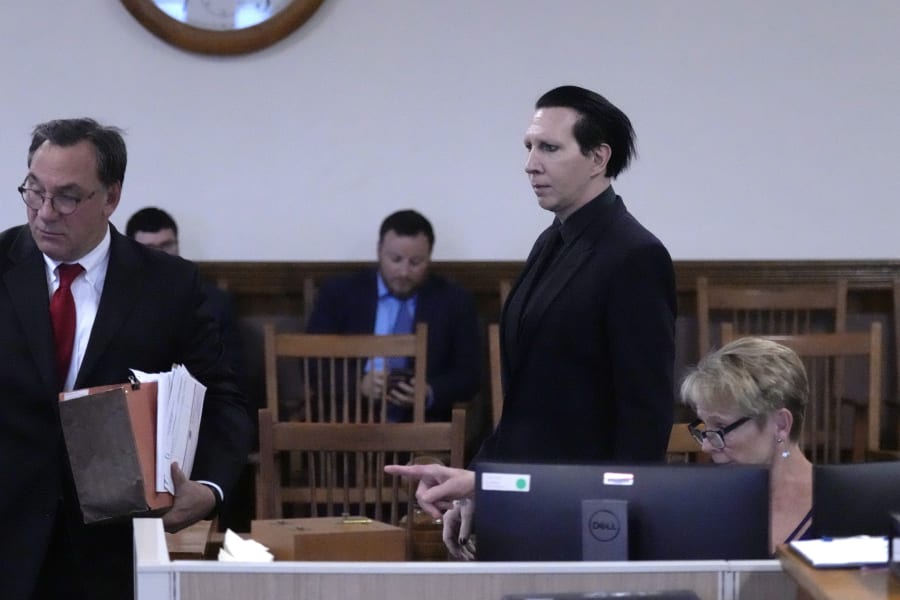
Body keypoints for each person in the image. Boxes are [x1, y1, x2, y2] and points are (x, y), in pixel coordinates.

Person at [0, 118, 253, 599]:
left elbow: (223, 399)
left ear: (112, 197)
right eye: (34, 191)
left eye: (68, 197)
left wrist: (210, 489)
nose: (45, 213)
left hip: (115, 549)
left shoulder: (169, 287)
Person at [479, 84, 676, 462]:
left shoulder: (636, 255)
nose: (531, 164)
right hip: (530, 484)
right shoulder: (550, 240)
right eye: (529, 147)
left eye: (549, 148)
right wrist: (479, 481)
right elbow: (525, 400)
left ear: (598, 158)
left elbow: (645, 413)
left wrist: (615, 511)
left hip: (584, 498)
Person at [306, 209, 480, 422]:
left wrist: (429, 391)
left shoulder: (454, 301)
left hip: (421, 423)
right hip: (349, 417)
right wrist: (359, 384)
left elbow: (469, 374)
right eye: (396, 259)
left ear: (430, 257)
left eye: (415, 262)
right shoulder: (340, 293)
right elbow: (312, 363)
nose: (404, 272)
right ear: (379, 251)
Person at [681, 336, 813, 554]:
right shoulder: (700, 504)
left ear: (780, 425)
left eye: (721, 426)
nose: (706, 446)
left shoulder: (842, 507)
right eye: (705, 426)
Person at [125, 206, 243, 384]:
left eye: (167, 245)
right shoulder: (116, 301)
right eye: (149, 248)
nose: (161, 255)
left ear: (177, 244)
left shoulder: (214, 301)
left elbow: (232, 370)